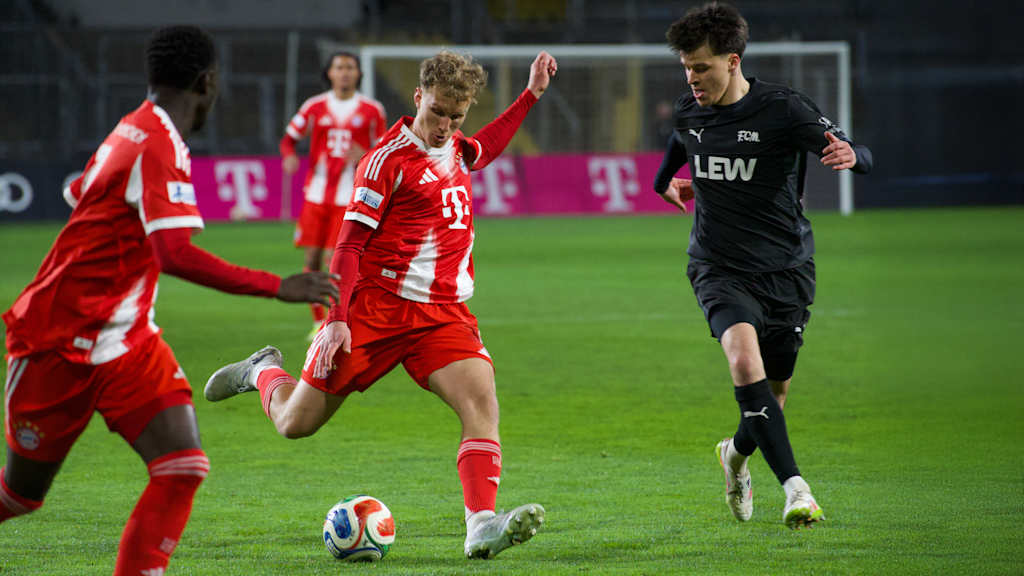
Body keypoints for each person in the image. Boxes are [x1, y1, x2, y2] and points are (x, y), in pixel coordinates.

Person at [0, 26, 338, 575]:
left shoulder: (131, 128)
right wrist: (278, 285)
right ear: (207, 83)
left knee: (182, 465)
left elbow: (80, 194)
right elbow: (174, 253)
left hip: (125, 337)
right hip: (56, 340)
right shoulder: (157, 143)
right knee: (20, 495)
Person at [206, 49, 558, 559]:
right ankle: (262, 371)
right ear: (418, 97)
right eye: (437, 112)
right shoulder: (385, 161)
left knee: (482, 405)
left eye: (455, 117)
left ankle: (480, 523)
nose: (444, 126)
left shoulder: (456, 146)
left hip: (444, 315)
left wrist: (531, 95)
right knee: (294, 424)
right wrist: (336, 320)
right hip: (376, 311)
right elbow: (347, 246)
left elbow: (486, 146)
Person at [654, 3, 873, 528]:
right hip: (717, 266)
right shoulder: (691, 111)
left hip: (785, 268)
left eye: (702, 67)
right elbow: (674, 154)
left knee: (773, 394)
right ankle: (797, 490)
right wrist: (670, 183)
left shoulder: (783, 109)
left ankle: (734, 454)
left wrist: (853, 156)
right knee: (744, 364)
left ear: (733, 61)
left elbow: (860, 150)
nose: (692, 78)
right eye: (686, 67)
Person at [280, 51, 387, 338]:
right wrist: (289, 156)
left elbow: (384, 152)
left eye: (350, 67)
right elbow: (288, 139)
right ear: (329, 73)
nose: (345, 72)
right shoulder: (315, 107)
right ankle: (318, 322)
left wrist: (364, 154)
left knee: (333, 259)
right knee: (312, 260)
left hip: (348, 198)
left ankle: (335, 320)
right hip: (315, 195)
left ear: (358, 73)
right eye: (339, 67)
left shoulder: (372, 109)